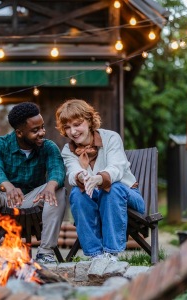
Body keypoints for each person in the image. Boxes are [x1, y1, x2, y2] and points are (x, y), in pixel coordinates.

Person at [0, 102, 66, 267]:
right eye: (35, 130)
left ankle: (46, 253)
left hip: (32, 198)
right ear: (19, 132)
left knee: (58, 189)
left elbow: (57, 170)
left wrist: (51, 185)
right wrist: (8, 187)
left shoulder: (48, 147)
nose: (42, 133)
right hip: (4, 199)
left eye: (42, 127)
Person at [55, 99, 145, 261]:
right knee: (76, 193)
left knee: (112, 189)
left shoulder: (111, 138)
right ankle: (95, 255)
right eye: (67, 127)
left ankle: (111, 254)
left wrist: (98, 178)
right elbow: (72, 172)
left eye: (77, 124)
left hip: (128, 196)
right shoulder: (68, 150)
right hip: (95, 199)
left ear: (89, 121)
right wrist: (81, 176)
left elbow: (117, 167)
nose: (73, 131)